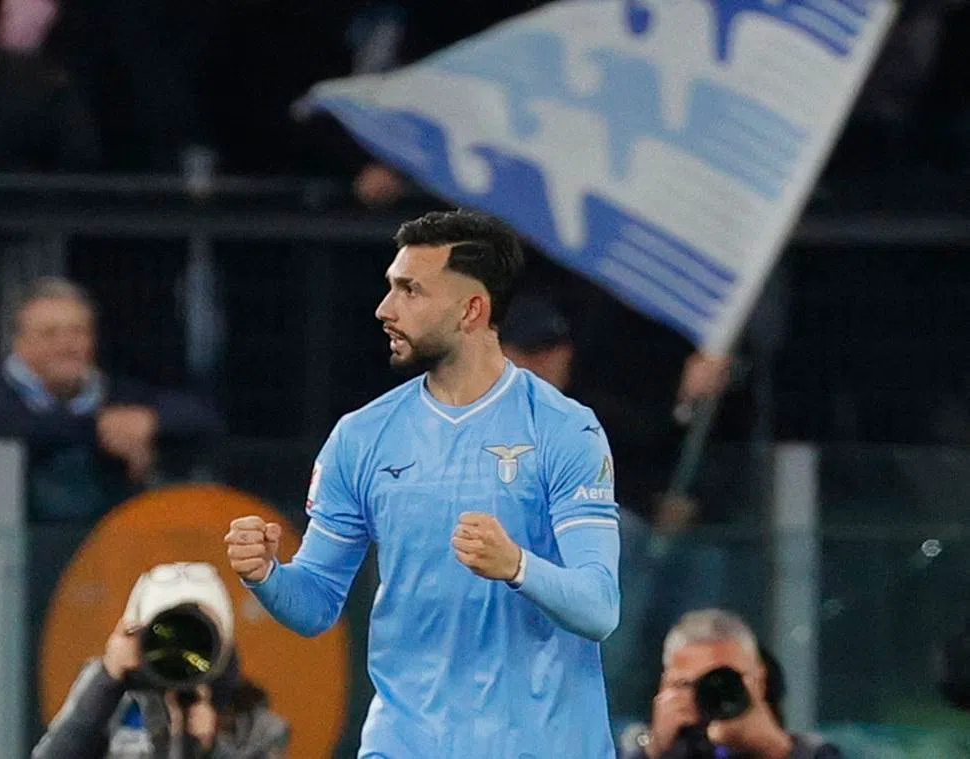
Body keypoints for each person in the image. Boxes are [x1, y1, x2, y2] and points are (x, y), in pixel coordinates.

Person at [225, 209, 621, 757]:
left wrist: (517, 566)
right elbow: (315, 604)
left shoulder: (563, 429)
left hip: (542, 743)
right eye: (391, 288)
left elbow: (599, 608)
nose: (384, 309)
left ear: (472, 310)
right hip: (405, 743)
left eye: (410, 290)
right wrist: (266, 574)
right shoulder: (362, 436)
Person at [0, 276, 221, 522]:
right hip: (17, 547)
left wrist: (149, 421)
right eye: (49, 333)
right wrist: (99, 429)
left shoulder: (117, 393)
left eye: (78, 332)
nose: (66, 345)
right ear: (20, 343)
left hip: (106, 551)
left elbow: (202, 418)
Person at [32, 562, 289, 759]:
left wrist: (209, 749)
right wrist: (107, 679)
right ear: (137, 630)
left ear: (223, 638)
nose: (180, 648)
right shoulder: (109, 702)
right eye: (166, 632)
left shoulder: (256, 726)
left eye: (197, 636)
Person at [620, 609, 841, 759]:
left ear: (760, 679)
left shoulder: (812, 752)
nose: (710, 694)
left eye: (725, 680)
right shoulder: (637, 746)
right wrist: (654, 749)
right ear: (666, 685)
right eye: (689, 684)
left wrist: (776, 749)